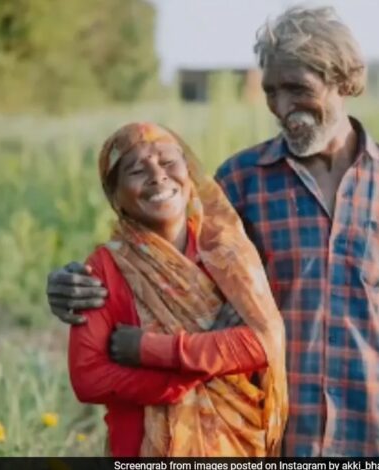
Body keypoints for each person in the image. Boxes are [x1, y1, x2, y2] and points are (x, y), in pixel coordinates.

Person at [49, 6, 379, 457]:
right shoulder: (240, 182)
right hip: (277, 434)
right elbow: (167, 273)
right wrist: (72, 284)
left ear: (343, 81)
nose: (282, 108)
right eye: (271, 92)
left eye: (297, 88)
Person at [66, 122, 288, 457]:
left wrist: (151, 350)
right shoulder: (104, 268)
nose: (158, 176)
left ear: (189, 172)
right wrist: (182, 381)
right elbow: (89, 377)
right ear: (116, 197)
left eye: (169, 163)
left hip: (237, 445)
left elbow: (263, 343)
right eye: (137, 170)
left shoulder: (227, 255)